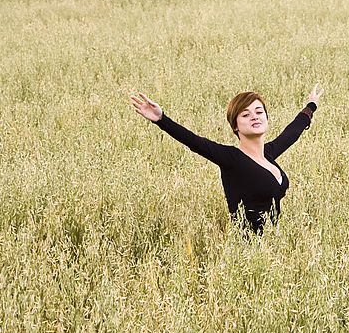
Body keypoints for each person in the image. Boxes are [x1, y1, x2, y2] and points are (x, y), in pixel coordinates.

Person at [130, 84, 324, 235]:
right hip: (249, 251)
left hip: (275, 244)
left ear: (266, 117)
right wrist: (162, 119)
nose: (254, 117)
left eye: (259, 112)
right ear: (235, 126)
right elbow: (194, 141)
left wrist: (311, 105)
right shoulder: (231, 159)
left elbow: (292, 132)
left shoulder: (268, 154)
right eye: (245, 114)